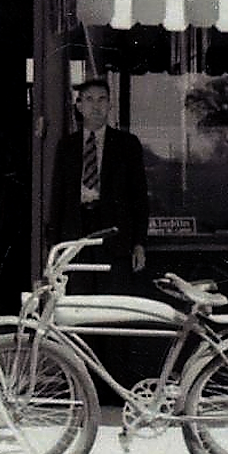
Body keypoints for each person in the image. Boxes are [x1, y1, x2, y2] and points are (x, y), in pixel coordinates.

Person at [46, 77, 148, 293]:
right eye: (89, 100)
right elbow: (58, 198)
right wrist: (53, 248)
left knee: (111, 304)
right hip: (76, 234)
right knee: (77, 302)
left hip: (114, 234)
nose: (96, 106)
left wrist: (139, 243)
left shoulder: (126, 145)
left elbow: (139, 197)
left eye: (102, 100)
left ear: (110, 105)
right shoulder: (67, 147)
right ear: (79, 106)